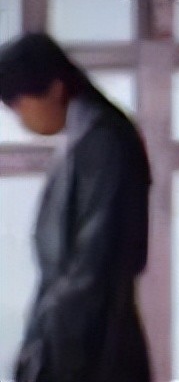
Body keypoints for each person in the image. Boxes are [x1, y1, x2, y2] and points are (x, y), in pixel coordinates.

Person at [0, 33, 152, 382]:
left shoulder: (102, 140)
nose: (22, 119)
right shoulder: (88, 135)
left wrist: (50, 354)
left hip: (93, 341)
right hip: (79, 330)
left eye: (21, 106)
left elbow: (94, 264)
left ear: (55, 89)